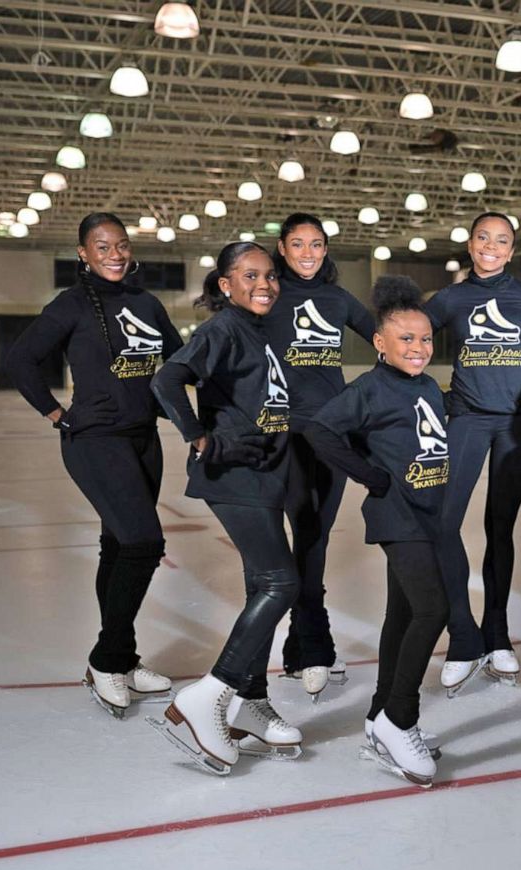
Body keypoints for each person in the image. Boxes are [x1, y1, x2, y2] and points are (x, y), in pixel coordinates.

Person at [2, 211, 182, 720]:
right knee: (145, 544)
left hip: (143, 437)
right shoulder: (72, 305)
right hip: (94, 439)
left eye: (121, 245)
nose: (115, 254)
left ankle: (123, 658)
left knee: (119, 545)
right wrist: (55, 412)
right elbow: (21, 359)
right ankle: (105, 660)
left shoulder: (146, 303)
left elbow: (180, 358)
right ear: (83, 253)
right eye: (102, 247)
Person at [147, 241, 304, 775]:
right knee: (282, 584)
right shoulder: (223, 329)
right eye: (251, 276)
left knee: (263, 585)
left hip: (266, 473)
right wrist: (199, 437)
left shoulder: (261, 331)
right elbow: (167, 379)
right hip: (234, 475)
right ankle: (210, 694)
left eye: (271, 276)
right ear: (226, 285)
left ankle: (251, 704)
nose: (265, 284)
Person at [302, 275, 453, 787]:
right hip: (398, 516)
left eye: (426, 338)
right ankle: (399, 718)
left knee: (404, 613)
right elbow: (320, 430)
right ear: (381, 343)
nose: (419, 347)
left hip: (428, 514)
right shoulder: (369, 387)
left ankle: (376, 719)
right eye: (406, 339)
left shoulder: (428, 385)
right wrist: (369, 475)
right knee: (435, 609)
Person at [422, 211, 521, 693]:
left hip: (518, 424)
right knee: (444, 524)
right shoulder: (451, 298)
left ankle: (498, 635)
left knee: (499, 528)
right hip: (466, 421)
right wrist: (435, 397)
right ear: (470, 245)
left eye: (502, 240)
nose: (491, 246)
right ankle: (463, 637)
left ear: (512, 250)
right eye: (483, 238)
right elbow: (405, 339)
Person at [265, 211, 376, 701]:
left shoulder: (336, 298)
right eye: (297, 244)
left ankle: (300, 647)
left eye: (316, 244)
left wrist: (367, 399)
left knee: (315, 537)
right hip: (282, 433)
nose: (307, 253)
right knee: (303, 534)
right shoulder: (267, 296)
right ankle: (315, 645)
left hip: (332, 433)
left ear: (325, 250)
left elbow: (385, 337)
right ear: (282, 249)